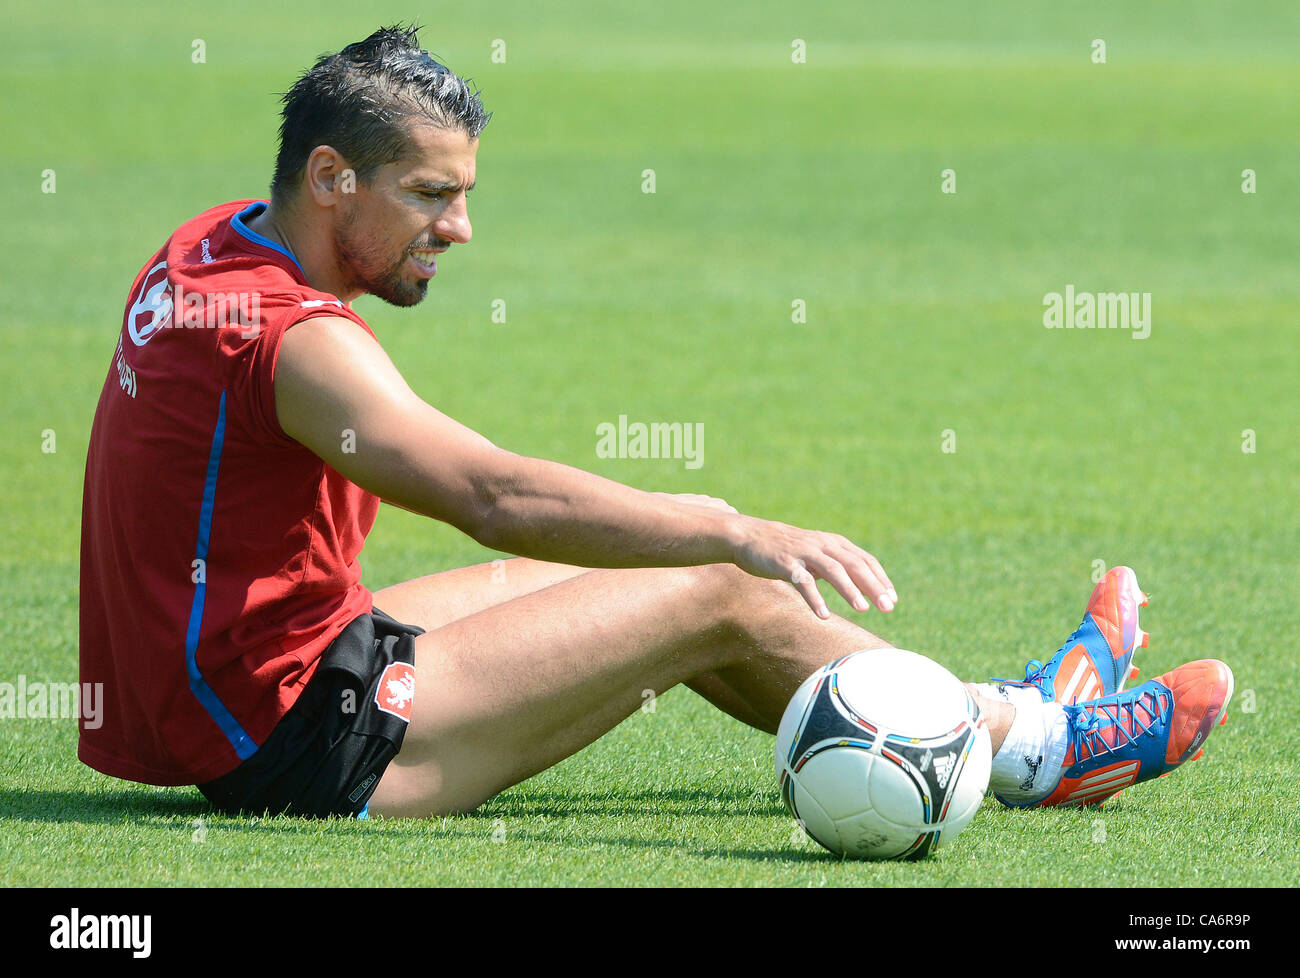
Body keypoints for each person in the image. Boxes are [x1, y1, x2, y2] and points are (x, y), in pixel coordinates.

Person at [79, 25, 1233, 823]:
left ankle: (1003, 717)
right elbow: (492, 496)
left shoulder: (212, 244)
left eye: (465, 191)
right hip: (300, 742)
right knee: (718, 578)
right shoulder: (302, 344)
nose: (462, 226)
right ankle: (1039, 747)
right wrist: (724, 534)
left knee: (662, 557)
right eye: (430, 194)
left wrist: (702, 522)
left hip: (261, 676)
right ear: (330, 177)